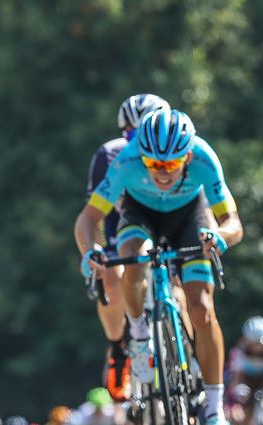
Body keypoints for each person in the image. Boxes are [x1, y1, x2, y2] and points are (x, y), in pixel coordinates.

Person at [75, 109, 244, 425]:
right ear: (142, 156)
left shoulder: (205, 160)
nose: (162, 173)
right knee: (134, 259)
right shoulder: (127, 161)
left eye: (171, 164)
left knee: (203, 309)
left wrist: (220, 236)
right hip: (141, 216)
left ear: (188, 156)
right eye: (153, 164)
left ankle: (213, 406)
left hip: (189, 218)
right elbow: (88, 219)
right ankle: (139, 337)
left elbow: (232, 223)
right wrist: (89, 251)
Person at [86, 94, 170, 402]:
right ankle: (119, 347)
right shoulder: (110, 155)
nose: (138, 141)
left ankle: (189, 364)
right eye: (131, 134)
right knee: (112, 277)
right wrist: (96, 251)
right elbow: (93, 214)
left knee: (185, 294)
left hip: (166, 227)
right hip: (121, 230)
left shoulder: (178, 150)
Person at [225, 316, 263, 425]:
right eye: (252, 343)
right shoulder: (238, 353)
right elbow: (235, 379)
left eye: (259, 344)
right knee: (238, 414)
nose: (256, 348)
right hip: (245, 384)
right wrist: (234, 401)